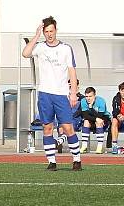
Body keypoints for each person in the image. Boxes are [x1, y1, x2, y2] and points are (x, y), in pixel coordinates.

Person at [21, 16, 81, 170]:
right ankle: (52, 162)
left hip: (61, 94)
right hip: (45, 94)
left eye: (51, 31)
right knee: (47, 128)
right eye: (46, 31)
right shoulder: (40, 47)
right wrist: (36, 36)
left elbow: (72, 71)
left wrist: (73, 93)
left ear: (56, 30)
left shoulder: (65, 48)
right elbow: (25, 53)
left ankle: (76, 159)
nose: (49, 34)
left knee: (68, 127)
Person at [79, 86, 111, 154]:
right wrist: (91, 110)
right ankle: (84, 146)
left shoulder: (101, 101)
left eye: (90, 96)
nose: (88, 98)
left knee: (99, 122)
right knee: (86, 121)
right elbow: (85, 115)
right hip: (92, 118)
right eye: (86, 96)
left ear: (94, 96)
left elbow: (100, 115)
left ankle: (99, 147)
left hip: (104, 117)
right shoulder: (83, 101)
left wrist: (91, 108)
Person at [111, 82, 124, 154]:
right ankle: (114, 145)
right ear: (119, 91)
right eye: (122, 90)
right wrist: (119, 116)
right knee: (114, 120)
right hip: (119, 119)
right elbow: (115, 111)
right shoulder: (116, 98)